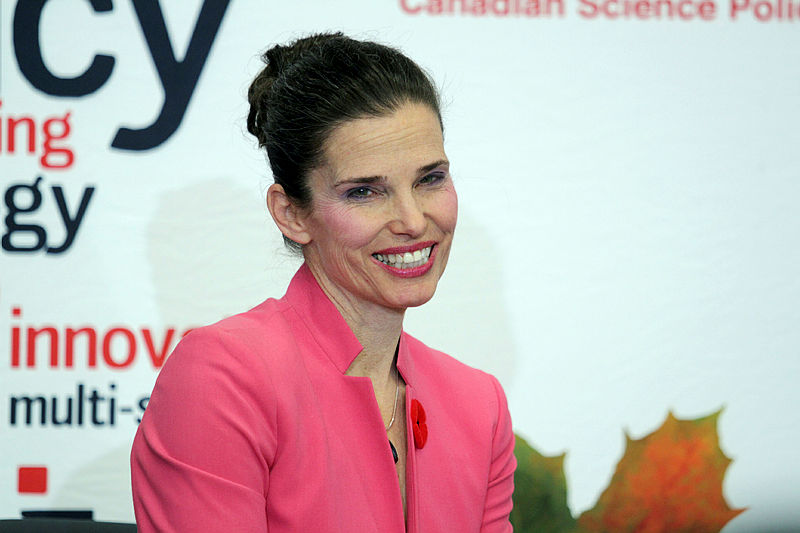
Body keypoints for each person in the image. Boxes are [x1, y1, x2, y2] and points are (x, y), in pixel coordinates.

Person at [130, 32, 516, 532]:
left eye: (430, 179)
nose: (412, 220)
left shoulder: (479, 405)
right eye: (364, 192)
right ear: (291, 214)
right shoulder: (224, 378)